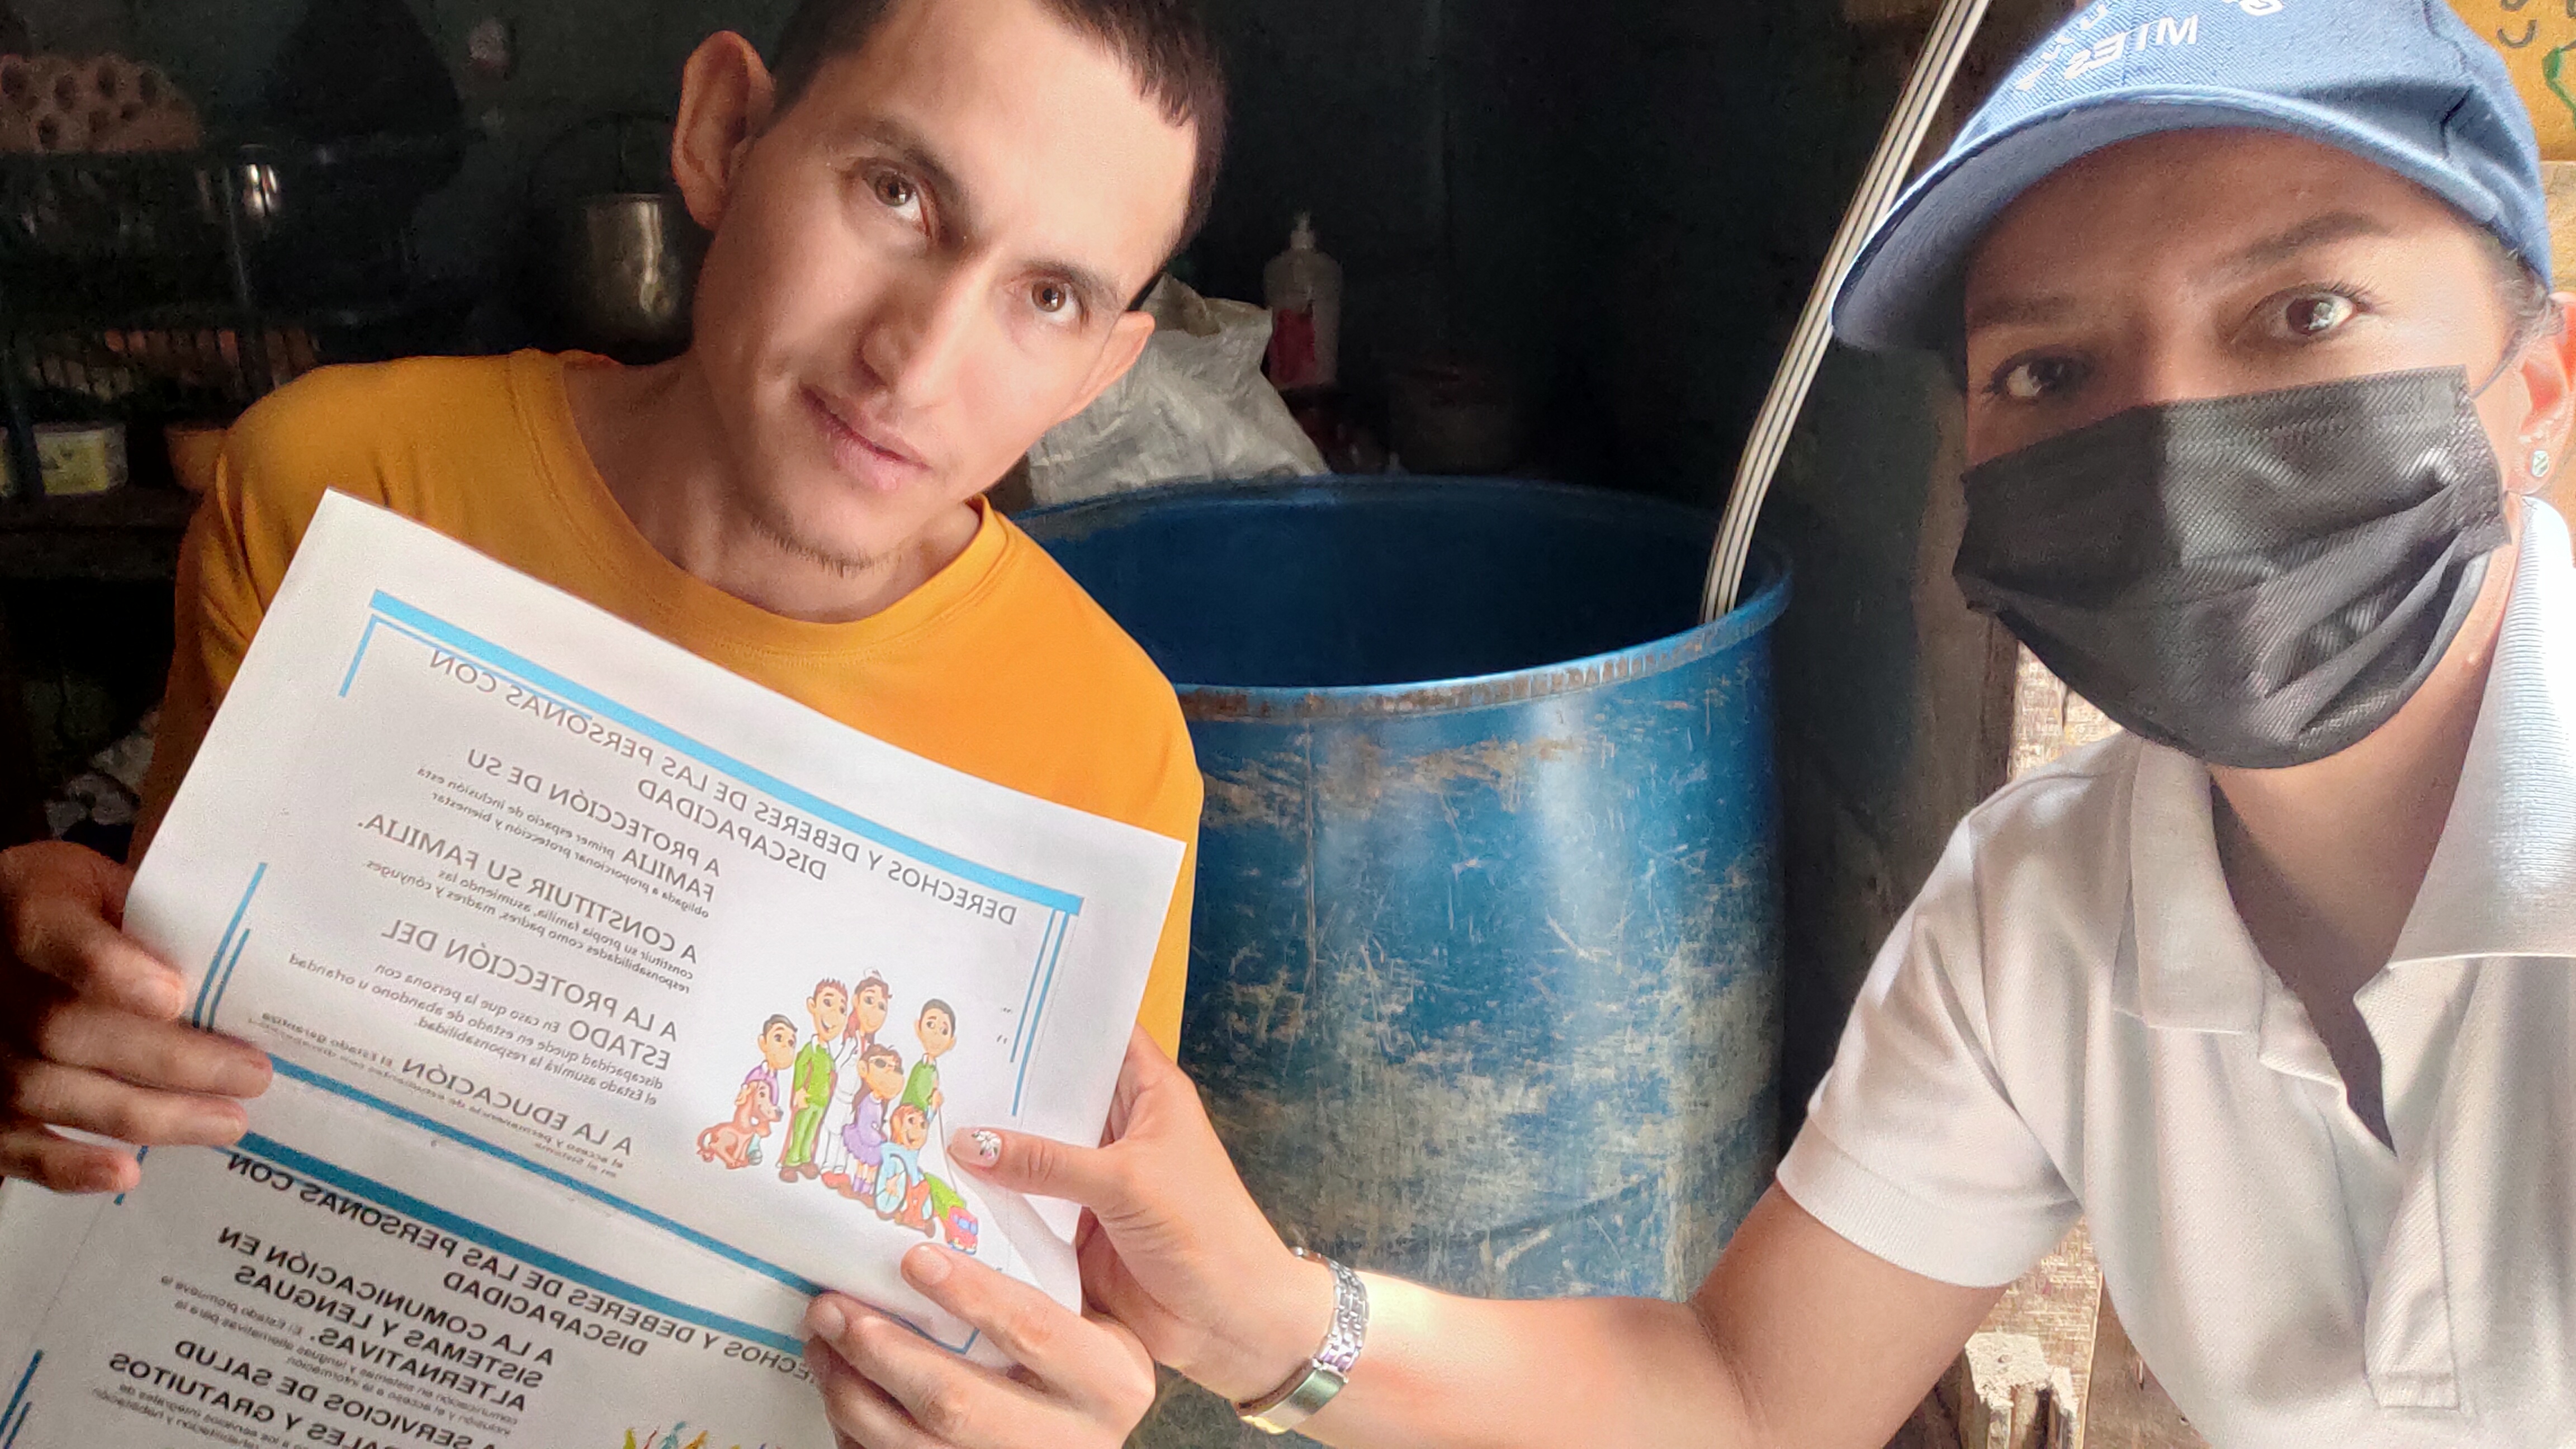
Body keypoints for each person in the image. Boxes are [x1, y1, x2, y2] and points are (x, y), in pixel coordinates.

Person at [795, 4, 2576, 1446]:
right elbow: (1744, 1399)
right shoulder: (2050, 913)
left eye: (2305, 314)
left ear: (2544, 384)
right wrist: (1268, 1320)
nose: (2172, 448)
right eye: (2048, 369)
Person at [0, 0, 1221, 1439]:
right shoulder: (341, 489)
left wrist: (1063, 1413)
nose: (919, 360)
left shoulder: (1106, 747)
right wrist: (49, 1024)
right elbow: (137, 1063)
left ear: (1101, 371)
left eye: (1051, 297)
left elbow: (1044, 1323)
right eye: (898, 194)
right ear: (722, 134)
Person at [783, 977, 853, 1180]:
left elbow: (832, 1074)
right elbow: (801, 1067)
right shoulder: (810, 1049)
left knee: (812, 1131)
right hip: (808, 1099)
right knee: (800, 1130)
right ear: (812, 1006)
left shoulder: (827, 1054)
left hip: (822, 1102)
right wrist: (799, 1091)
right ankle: (791, 1161)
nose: (835, 1015)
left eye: (842, 1010)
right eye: (828, 1003)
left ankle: (805, 1159)